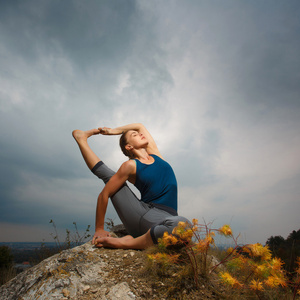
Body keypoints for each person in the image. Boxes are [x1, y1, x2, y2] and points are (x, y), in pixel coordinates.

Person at [72, 123, 190, 250]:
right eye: (134, 135)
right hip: (145, 216)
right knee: (111, 178)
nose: (140, 134)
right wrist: (99, 228)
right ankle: (124, 243)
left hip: (168, 217)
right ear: (129, 146)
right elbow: (104, 194)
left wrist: (112, 131)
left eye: (139, 134)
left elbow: (139, 126)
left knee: (185, 228)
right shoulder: (131, 165)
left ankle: (134, 239)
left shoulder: (156, 155)